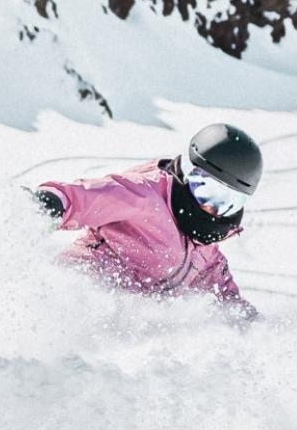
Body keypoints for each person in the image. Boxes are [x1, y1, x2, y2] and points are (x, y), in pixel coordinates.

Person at [30, 124, 261, 318]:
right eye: (207, 190)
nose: (213, 208)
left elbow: (226, 298)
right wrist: (51, 202)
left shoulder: (206, 252)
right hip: (70, 296)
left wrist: (253, 329)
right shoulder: (145, 196)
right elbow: (89, 197)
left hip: (114, 333)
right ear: (188, 171)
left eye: (228, 201)